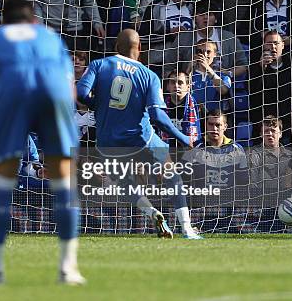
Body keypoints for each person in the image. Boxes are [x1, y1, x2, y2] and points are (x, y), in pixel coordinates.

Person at [0, 0, 85, 285]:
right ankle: (68, 268)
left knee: (3, 181)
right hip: (55, 92)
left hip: (13, 90)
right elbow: (71, 87)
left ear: (3, 22)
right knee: (63, 181)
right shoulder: (51, 35)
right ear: (34, 21)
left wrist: (3, 132)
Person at [77, 29, 201, 240]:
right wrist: (183, 138)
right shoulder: (149, 75)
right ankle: (187, 229)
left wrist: (97, 105)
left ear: (116, 47)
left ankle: (153, 213)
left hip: (108, 141)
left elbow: (80, 93)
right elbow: (158, 117)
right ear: (140, 48)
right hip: (141, 138)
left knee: (126, 185)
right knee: (173, 176)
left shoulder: (99, 64)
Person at [181, 110, 248, 190]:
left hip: (228, 200)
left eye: (218, 125)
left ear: (225, 127)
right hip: (201, 200)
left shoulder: (237, 149)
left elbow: (243, 182)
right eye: (210, 124)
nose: (214, 128)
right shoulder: (194, 148)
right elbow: (183, 179)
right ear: (206, 125)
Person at [162, 67, 201, 150]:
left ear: (188, 87)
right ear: (168, 86)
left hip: (190, 153)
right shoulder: (161, 107)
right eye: (173, 82)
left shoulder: (198, 107)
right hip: (166, 152)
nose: (176, 86)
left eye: (180, 83)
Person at [191, 39, 231, 113]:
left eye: (208, 52)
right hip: (193, 116)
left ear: (215, 54)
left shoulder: (222, 75)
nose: (204, 54)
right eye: (199, 51)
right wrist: (189, 68)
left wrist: (207, 68)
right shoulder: (189, 73)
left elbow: (224, 91)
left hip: (214, 119)